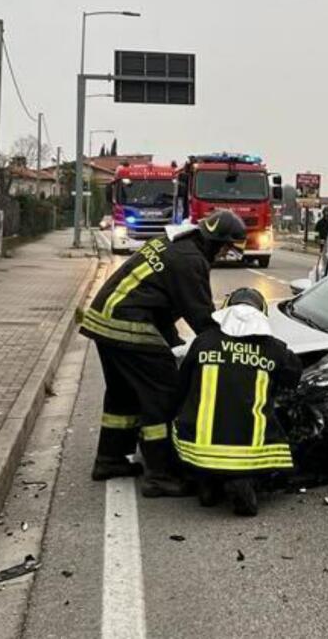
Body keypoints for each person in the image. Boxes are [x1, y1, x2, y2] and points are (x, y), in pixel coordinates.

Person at [82, 210, 247, 497]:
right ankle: (160, 475)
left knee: (123, 393)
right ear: (215, 241)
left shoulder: (175, 243)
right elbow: (201, 317)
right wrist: (228, 347)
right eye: (225, 248)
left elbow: (159, 301)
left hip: (104, 320)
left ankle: (109, 460)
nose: (224, 255)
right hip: (128, 325)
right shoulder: (191, 260)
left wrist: (173, 341)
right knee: (163, 395)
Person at [172, 288, 302, 516]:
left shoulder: (203, 342)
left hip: (198, 448)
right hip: (252, 451)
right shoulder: (274, 349)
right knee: (278, 432)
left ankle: (207, 481)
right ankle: (245, 482)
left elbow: (182, 386)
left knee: (185, 423)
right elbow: (294, 378)